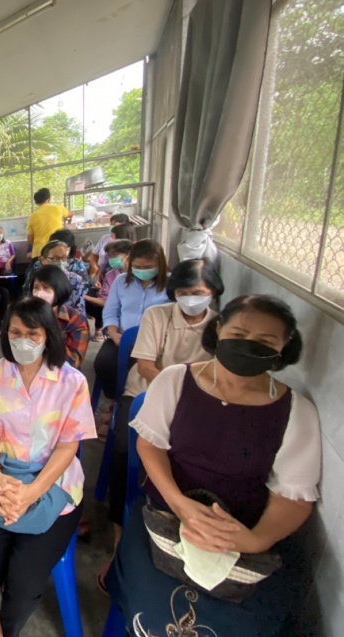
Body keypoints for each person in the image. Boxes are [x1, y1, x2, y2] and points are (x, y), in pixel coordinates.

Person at [107, 295, 321, 637]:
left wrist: (253, 541)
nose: (249, 347)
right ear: (218, 330)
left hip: (243, 527)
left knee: (248, 620)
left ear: (285, 347)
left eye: (266, 342)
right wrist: (181, 505)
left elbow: (292, 500)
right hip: (168, 514)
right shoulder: (175, 381)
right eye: (239, 334)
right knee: (154, 611)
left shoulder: (295, 411)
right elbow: (150, 447)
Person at [0, 297, 96, 637]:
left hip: (53, 483)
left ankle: (5, 625)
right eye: (15, 332)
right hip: (4, 476)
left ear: (48, 335)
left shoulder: (72, 382)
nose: (23, 341)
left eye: (33, 334)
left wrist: (32, 493)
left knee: (23, 584)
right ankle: (10, 556)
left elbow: (68, 445)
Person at [98, 258, 224, 592]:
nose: (191, 298)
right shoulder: (157, 316)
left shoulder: (219, 326)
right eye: (183, 291)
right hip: (144, 392)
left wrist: (190, 401)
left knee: (192, 456)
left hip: (194, 403)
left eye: (199, 292)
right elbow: (145, 366)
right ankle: (119, 533)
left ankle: (177, 527)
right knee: (125, 449)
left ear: (213, 292)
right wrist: (177, 393)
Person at [94, 239, 169, 403]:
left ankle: (150, 402)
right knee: (104, 364)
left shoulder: (170, 285)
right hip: (122, 339)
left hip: (157, 343)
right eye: (138, 267)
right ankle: (115, 402)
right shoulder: (121, 281)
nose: (142, 271)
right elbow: (110, 311)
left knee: (155, 369)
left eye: (148, 267)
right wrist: (113, 333)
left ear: (160, 264)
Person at [28, 265, 89, 369]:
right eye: (36, 288)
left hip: (61, 372)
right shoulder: (24, 314)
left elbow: (73, 361)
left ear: (59, 290)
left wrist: (48, 328)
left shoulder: (76, 319)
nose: (39, 293)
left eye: (46, 288)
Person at [84, 239, 132, 342]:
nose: (111, 259)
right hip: (117, 319)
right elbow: (107, 303)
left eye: (114, 255)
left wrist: (84, 297)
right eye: (109, 256)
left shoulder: (137, 274)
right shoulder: (111, 275)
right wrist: (113, 331)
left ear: (127, 255)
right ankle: (105, 329)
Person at [22, 240, 86, 314]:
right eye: (55, 258)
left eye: (64, 258)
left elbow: (79, 309)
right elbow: (28, 304)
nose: (61, 262)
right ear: (43, 259)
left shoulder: (75, 279)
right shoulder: (35, 278)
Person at [26, 188, 69, 259]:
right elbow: (70, 214)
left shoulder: (32, 216)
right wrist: (68, 219)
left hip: (39, 253)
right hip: (56, 252)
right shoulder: (58, 208)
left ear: (36, 202)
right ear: (48, 199)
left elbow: (30, 240)